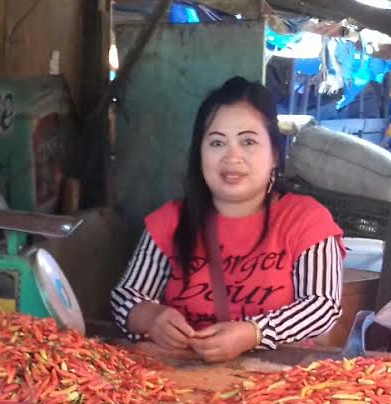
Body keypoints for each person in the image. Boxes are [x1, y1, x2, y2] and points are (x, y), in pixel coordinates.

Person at [111, 77, 346, 363]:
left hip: (280, 386)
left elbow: (322, 306)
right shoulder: (170, 221)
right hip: (179, 384)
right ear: (200, 154)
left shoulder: (307, 220)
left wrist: (254, 333)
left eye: (248, 141)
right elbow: (125, 296)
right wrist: (150, 317)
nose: (232, 156)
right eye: (217, 142)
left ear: (273, 154)